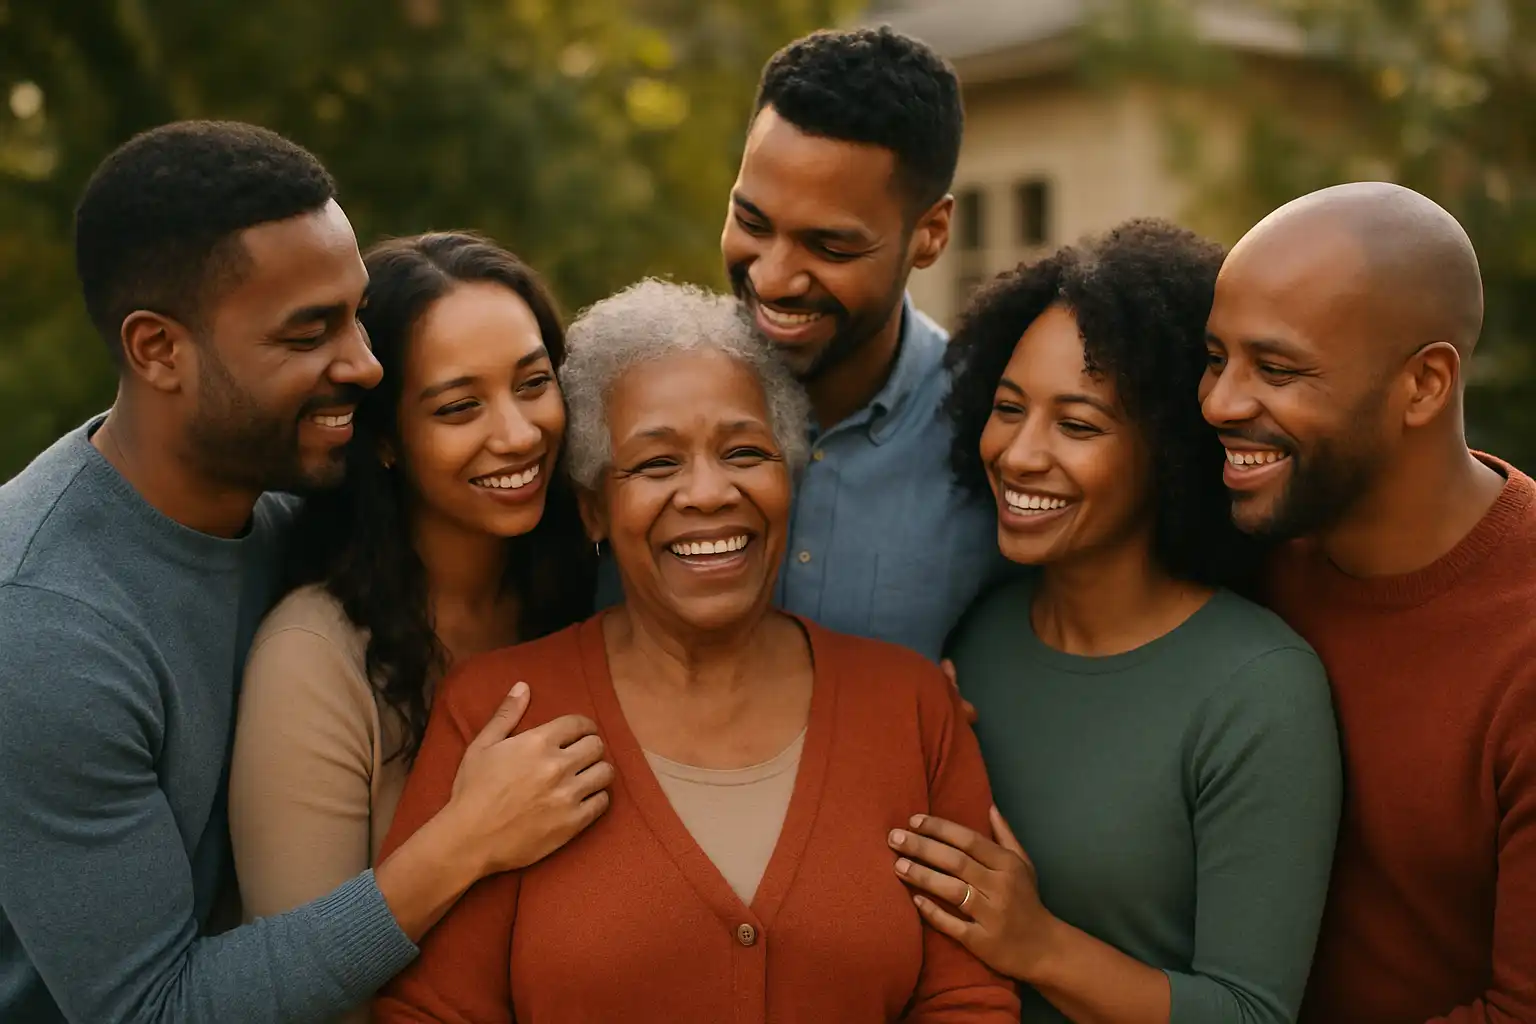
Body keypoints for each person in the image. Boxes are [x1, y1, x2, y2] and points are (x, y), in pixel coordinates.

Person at [0, 123, 608, 1024]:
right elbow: (153, 1012)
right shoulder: (43, 630)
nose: (365, 364)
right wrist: (462, 843)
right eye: (309, 332)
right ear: (158, 350)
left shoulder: (294, 505)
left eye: (357, 313)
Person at [371, 279, 1020, 1022]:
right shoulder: (499, 713)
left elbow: (967, 999)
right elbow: (430, 1013)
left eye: (744, 451)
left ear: (789, 477)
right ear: (593, 510)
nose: (709, 493)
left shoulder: (911, 708)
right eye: (656, 464)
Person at [886, 220, 1343, 1022]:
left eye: (1078, 425)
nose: (1021, 453)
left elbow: (1254, 1013)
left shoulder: (1259, 689)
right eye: (1008, 407)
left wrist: (1040, 945)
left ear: (1168, 452)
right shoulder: (977, 636)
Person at [227, 232, 610, 1022]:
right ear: (389, 442)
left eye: (534, 383)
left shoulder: (593, 592)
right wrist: (468, 836)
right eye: (459, 406)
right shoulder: (313, 658)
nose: (517, 433)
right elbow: (299, 994)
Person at [1202, 182, 1536, 1023]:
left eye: (1276, 370)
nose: (1220, 403)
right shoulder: (1240, 548)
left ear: (1423, 385)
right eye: (1216, 357)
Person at [596, 26, 1008, 662]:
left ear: (930, 235)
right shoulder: (622, 394)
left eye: (830, 246)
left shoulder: (993, 438)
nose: (772, 277)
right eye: (752, 223)